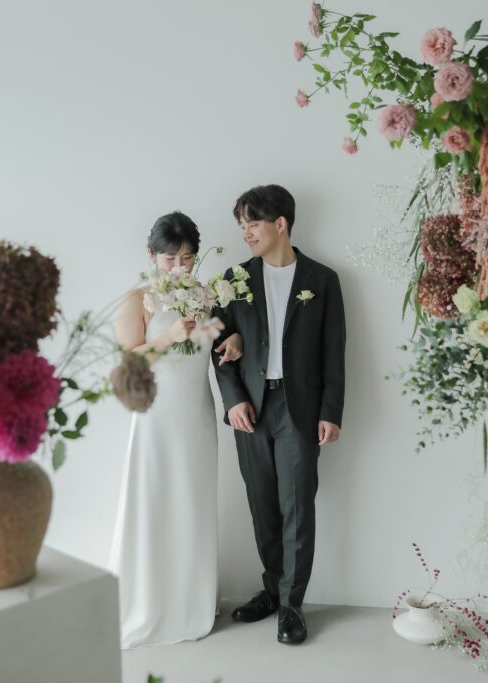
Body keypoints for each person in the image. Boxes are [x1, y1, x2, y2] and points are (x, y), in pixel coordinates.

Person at [212, 185, 346, 644]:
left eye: (252, 223)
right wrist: (233, 399)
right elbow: (218, 344)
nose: (246, 233)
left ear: (280, 224)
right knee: (262, 505)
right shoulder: (234, 279)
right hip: (250, 409)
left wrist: (331, 411)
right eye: (242, 225)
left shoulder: (322, 280)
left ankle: (291, 605)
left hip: (299, 409)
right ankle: (272, 590)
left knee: (297, 507)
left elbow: (334, 351)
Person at [108, 211, 242, 647]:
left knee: (192, 501)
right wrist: (167, 338)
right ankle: (149, 604)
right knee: (155, 500)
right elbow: (129, 361)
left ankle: (190, 602)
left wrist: (232, 339)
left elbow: (218, 337)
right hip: (156, 414)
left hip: (196, 413)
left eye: (187, 259)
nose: (180, 268)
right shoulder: (138, 299)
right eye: (170, 259)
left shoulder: (206, 295)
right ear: (151, 255)